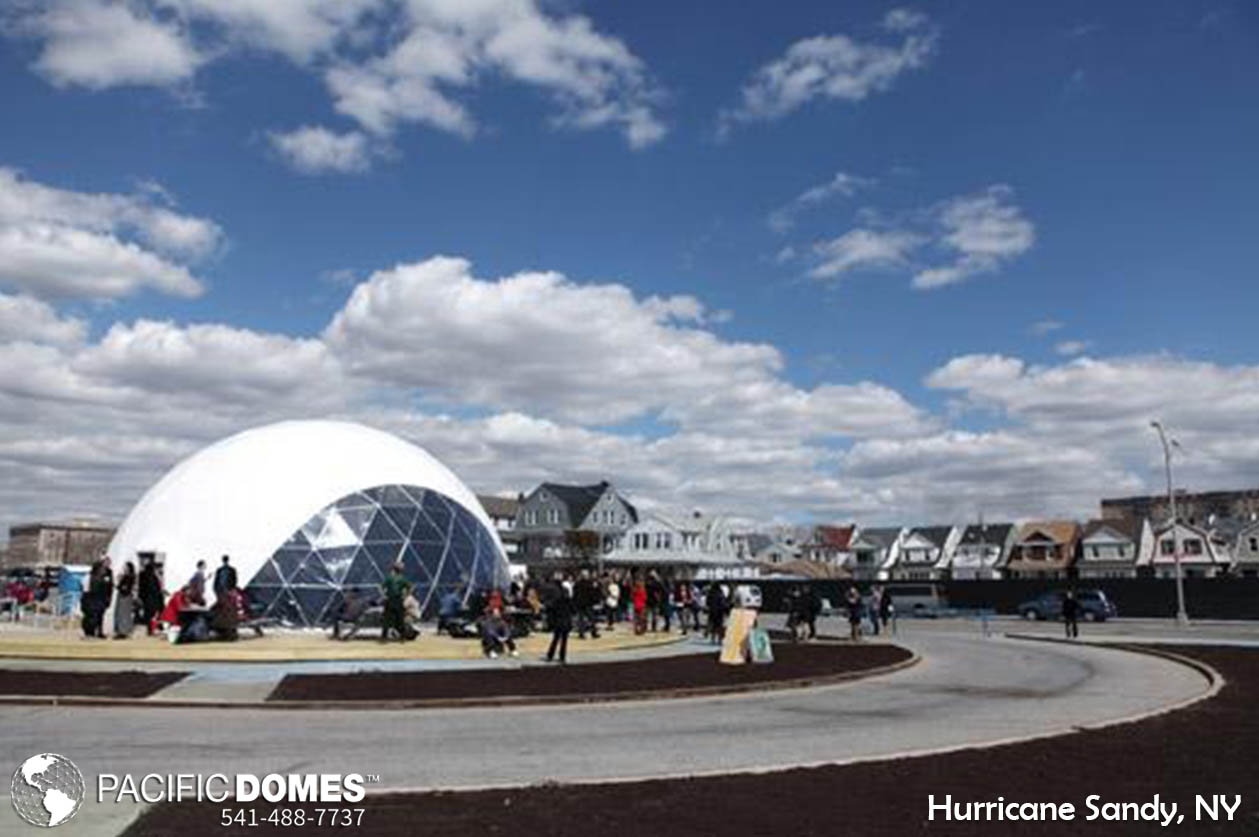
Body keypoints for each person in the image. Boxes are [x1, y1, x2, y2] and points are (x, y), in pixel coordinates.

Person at [380, 562, 413, 642]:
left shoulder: (390, 578)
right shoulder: (402, 579)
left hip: (390, 599)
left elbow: (381, 587)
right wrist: (405, 596)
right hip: (398, 600)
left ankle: (384, 637)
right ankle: (402, 637)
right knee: (399, 619)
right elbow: (410, 588)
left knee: (387, 619)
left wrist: (384, 595)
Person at [545, 575, 574, 663]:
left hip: (558, 621)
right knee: (564, 640)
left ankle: (550, 655)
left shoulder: (557, 601)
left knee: (556, 638)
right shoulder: (569, 601)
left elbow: (552, 609)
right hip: (566, 621)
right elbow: (573, 610)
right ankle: (562, 656)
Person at [82, 556, 113, 638]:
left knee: (100, 615)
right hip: (94, 597)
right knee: (93, 615)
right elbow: (88, 587)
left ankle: (99, 631)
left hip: (102, 597)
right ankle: (90, 631)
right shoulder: (93, 576)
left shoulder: (109, 573)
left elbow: (110, 586)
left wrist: (108, 598)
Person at [138, 557, 165, 635]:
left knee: (149, 615)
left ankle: (151, 629)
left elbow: (142, 587)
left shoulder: (144, 575)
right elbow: (156, 588)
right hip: (152, 598)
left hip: (149, 598)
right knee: (153, 614)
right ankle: (153, 629)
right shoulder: (152, 576)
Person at [113, 561, 137, 638]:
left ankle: (123, 631)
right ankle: (120, 630)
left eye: (126, 567)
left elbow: (126, 587)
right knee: (120, 614)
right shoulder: (126, 576)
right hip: (123, 596)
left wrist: (119, 584)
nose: (124, 569)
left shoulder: (130, 577)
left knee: (124, 614)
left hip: (125, 596)